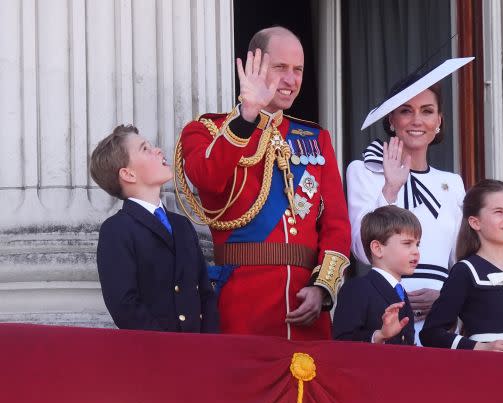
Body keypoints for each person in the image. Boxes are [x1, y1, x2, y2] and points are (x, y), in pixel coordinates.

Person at [176, 26, 350, 341]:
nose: (291, 79)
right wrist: (247, 117)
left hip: (306, 308)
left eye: (298, 70)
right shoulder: (207, 130)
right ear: (253, 66)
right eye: (280, 67)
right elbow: (207, 178)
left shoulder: (315, 138)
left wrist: (322, 287)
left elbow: (336, 224)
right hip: (242, 306)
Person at [345, 60, 471, 341]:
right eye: (405, 111)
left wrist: (445, 299)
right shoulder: (365, 171)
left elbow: (462, 261)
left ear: (439, 121)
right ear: (391, 120)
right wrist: (390, 187)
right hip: (385, 312)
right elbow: (362, 250)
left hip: (441, 320)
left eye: (427, 111)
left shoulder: (452, 183)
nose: (417, 120)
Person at [91, 125, 219, 333]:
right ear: (128, 174)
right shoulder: (117, 230)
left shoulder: (182, 225)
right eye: (145, 149)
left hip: (199, 350)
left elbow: (205, 292)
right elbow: (125, 305)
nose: (158, 150)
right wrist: (167, 346)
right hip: (155, 352)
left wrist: (208, 344)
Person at [420, 181, 503, 354]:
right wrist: (479, 347)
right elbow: (431, 333)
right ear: (475, 223)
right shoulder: (465, 270)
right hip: (485, 373)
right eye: (499, 212)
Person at [333, 206, 419, 345]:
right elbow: (342, 341)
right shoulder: (357, 289)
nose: (416, 251)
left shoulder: (401, 293)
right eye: (407, 244)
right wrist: (378, 336)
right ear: (377, 249)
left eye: (417, 244)